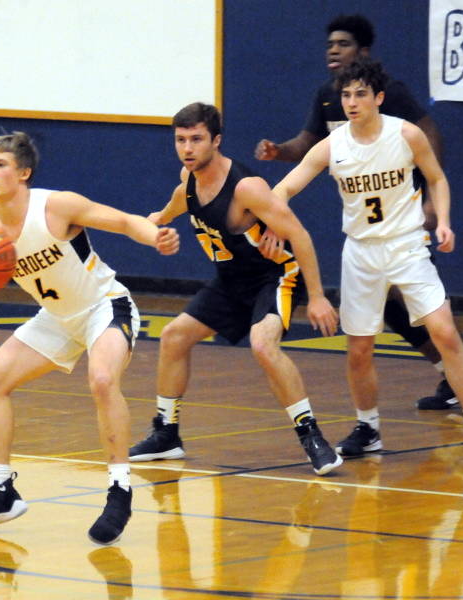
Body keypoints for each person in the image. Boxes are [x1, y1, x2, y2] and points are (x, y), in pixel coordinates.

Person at [0, 131, 180, 545]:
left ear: (24, 173)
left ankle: (119, 489)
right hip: (58, 318)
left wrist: (154, 235)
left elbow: (121, 220)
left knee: (102, 379)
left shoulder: (56, 205)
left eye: (1, 165)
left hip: (105, 306)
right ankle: (0, 492)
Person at [254, 14, 463, 412]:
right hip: (365, 232)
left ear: (364, 53)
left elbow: (429, 134)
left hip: (403, 220)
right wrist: (278, 153)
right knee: (387, 311)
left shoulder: (391, 97)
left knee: (421, 308)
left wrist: (433, 201)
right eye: (330, 43)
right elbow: (309, 146)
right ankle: (426, 388)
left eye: (344, 43)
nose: (334, 49)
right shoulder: (329, 95)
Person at [128, 102, 343, 476]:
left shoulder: (247, 188)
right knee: (174, 336)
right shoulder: (189, 179)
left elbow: (300, 236)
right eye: (181, 140)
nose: (188, 148)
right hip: (231, 282)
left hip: (272, 277)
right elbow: (177, 202)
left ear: (217, 141)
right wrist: (159, 223)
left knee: (262, 344)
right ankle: (166, 433)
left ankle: (312, 436)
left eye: (196, 139)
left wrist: (319, 296)